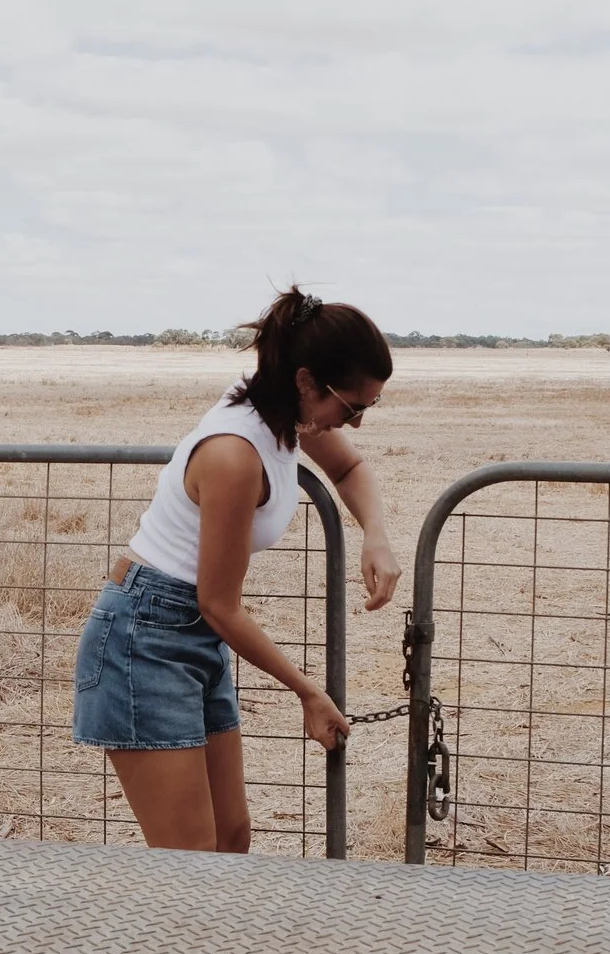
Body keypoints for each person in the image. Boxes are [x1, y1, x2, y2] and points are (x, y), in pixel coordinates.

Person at [72, 288, 398, 851]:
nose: (357, 423)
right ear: (305, 382)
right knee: (191, 862)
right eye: (352, 408)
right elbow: (218, 603)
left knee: (231, 839)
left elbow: (350, 468)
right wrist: (308, 692)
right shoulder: (234, 453)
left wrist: (376, 535)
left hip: (191, 637)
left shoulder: (283, 416)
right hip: (144, 638)